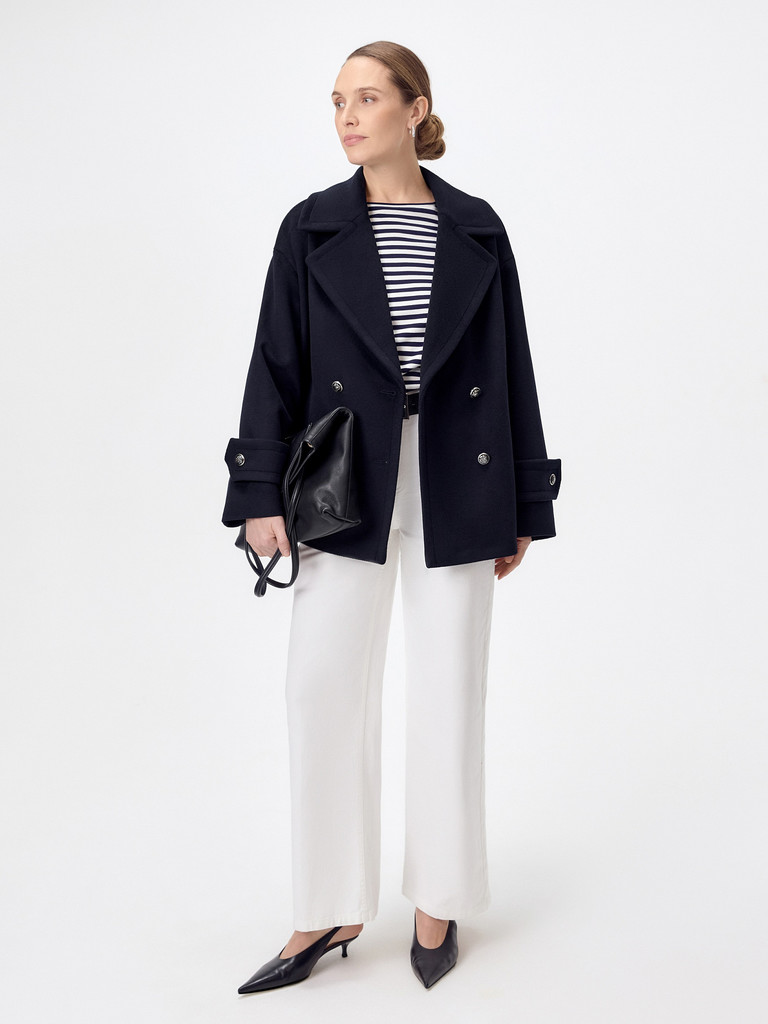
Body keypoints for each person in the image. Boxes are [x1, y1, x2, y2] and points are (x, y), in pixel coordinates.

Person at [221, 40, 561, 992]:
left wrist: (524, 500)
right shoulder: (311, 227)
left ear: (416, 110)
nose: (347, 117)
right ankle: (327, 907)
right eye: (337, 101)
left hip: (460, 474)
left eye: (368, 98)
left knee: (450, 688)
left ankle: (438, 900)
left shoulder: (477, 227)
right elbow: (274, 362)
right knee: (319, 686)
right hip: (344, 478)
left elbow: (514, 366)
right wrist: (259, 494)